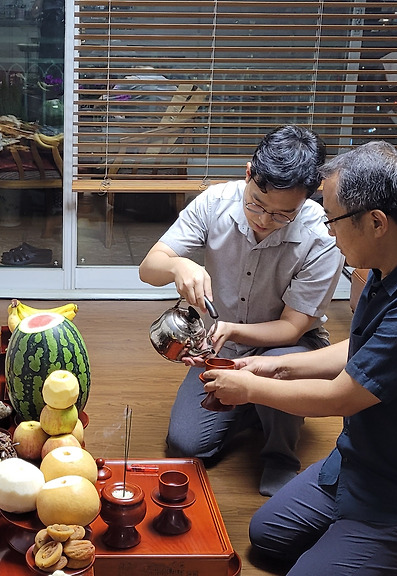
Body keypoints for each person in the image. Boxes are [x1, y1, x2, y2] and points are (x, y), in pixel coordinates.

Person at [201, 141, 397, 575]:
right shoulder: (393, 260)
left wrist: (249, 389)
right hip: (362, 462)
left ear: (376, 222)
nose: (328, 232)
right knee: (267, 536)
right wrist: (270, 365)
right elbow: (362, 349)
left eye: (333, 219)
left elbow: (341, 397)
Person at [138, 125, 345, 496]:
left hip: (286, 344)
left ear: (307, 197)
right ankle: (257, 405)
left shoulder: (322, 235)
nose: (264, 220)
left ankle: (281, 454)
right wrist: (176, 265)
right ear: (249, 173)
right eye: (257, 204)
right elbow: (148, 269)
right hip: (223, 348)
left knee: (280, 364)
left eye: (283, 214)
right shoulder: (215, 203)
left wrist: (232, 329)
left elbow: (291, 327)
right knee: (187, 446)